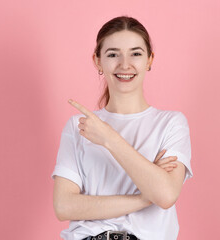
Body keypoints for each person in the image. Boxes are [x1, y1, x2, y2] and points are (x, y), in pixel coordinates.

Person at [51, 16, 193, 240]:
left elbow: (166, 195)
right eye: (113, 54)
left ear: (149, 59)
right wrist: (144, 198)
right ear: (98, 61)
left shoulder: (171, 123)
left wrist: (109, 138)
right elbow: (64, 206)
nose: (124, 64)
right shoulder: (80, 126)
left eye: (135, 53)